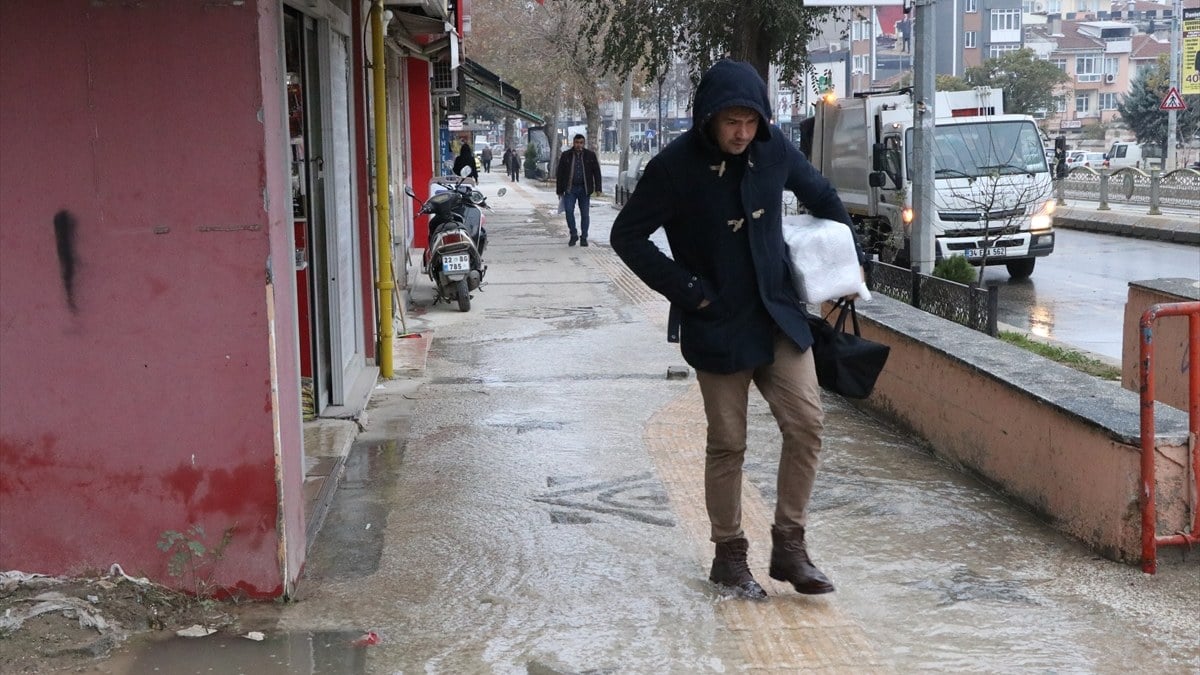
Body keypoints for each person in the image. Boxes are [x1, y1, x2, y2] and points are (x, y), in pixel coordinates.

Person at [610, 59, 864, 601]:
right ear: (708, 119)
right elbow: (626, 236)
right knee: (728, 445)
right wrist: (690, 291)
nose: (742, 134)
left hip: (778, 317)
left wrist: (848, 266)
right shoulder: (674, 167)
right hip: (718, 324)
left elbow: (823, 197)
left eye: (750, 122)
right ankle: (729, 558)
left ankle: (790, 548)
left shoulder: (773, 151)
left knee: (807, 425)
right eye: (732, 123)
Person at [555, 134, 602, 246]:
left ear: (584, 143)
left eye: (581, 142)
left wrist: (598, 188)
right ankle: (573, 234)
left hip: (585, 189)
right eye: (577, 142)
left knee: (585, 214)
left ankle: (584, 237)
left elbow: (596, 172)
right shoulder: (566, 155)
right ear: (573, 143)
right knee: (569, 211)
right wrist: (559, 190)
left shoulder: (590, 155)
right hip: (570, 189)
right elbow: (560, 173)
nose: (579, 145)